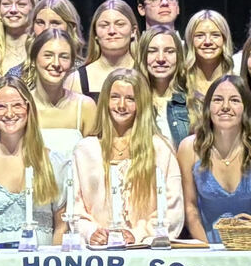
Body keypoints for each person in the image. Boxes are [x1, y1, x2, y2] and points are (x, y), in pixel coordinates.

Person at [69, 69, 183, 246]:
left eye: (130, 99)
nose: (121, 105)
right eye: (115, 97)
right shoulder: (85, 150)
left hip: (146, 252)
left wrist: (138, 234)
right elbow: (75, 208)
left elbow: (172, 210)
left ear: (142, 103)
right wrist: (91, 232)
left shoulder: (160, 148)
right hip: (98, 253)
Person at [0, 80, 72, 247]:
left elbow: (61, 226)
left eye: (17, 105)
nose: (9, 113)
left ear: (28, 108)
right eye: (1, 106)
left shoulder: (54, 163)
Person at [179, 75, 251, 242]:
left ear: (246, 108)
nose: (225, 107)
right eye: (218, 100)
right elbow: (190, 208)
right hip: (205, 251)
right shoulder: (188, 149)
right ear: (208, 107)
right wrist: (206, 250)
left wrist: (250, 243)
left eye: (234, 100)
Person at [26, 28, 100, 150]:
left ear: (71, 63)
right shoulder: (23, 104)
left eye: (64, 57)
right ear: (33, 60)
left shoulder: (85, 107)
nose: (56, 63)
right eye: (48, 55)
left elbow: (93, 161)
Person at [134, 25, 190, 141]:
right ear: (143, 56)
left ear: (178, 57)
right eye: (152, 51)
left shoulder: (192, 102)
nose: (161, 58)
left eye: (169, 51)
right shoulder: (132, 101)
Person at [76, 0, 137, 98]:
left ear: (133, 31)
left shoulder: (147, 73)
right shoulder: (76, 79)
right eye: (104, 25)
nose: (112, 31)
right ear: (95, 33)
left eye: (120, 24)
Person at [180, 10, 233, 97]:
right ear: (190, 41)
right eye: (200, 36)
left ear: (224, 40)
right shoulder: (180, 83)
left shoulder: (237, 83)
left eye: (215, 35)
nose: (208, 42)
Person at [32, 0, 87, 64]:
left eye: (55, 23)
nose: (46, 29)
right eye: (40, 23)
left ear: (71, 27)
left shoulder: (85, 72)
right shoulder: (19, 73)